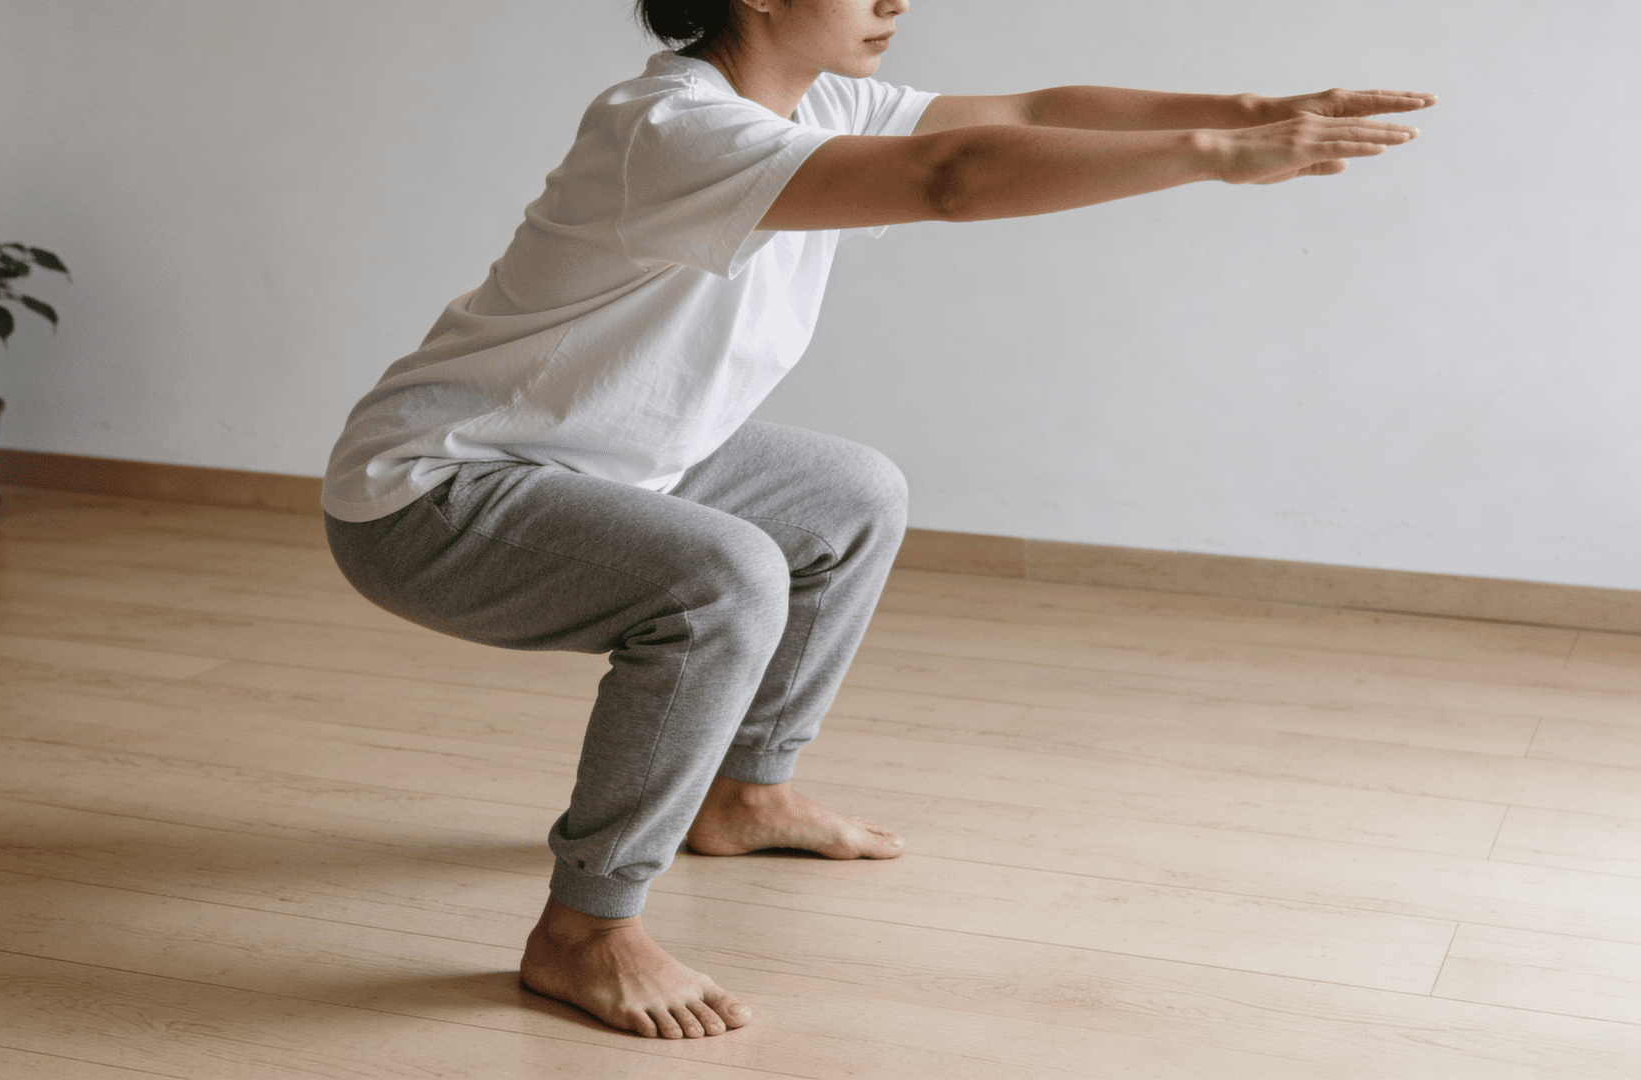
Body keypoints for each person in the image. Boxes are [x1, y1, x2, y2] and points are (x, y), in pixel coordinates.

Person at [322, 0, 1433, 1041]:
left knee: (849, 495)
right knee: (726, 577)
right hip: (436, 492)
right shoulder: (669, 128)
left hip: (612, 468)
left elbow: (1036, 114)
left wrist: (1250, 112)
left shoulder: (819, 103)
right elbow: (952, 178)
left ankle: (746, 792)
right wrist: (1214, 158)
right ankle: (586, 931)